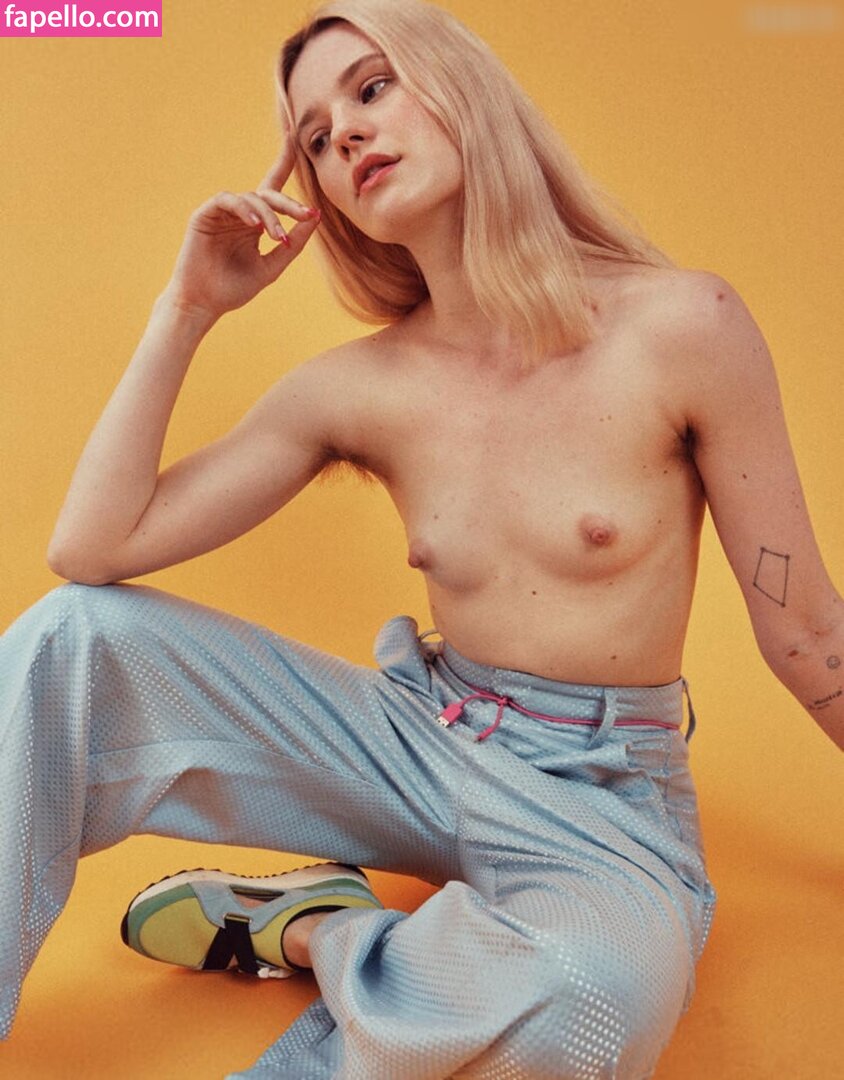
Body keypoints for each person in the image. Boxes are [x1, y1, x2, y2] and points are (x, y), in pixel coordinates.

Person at [1, 0, 841, 1076]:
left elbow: (810, 636)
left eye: (372, 87)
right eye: (314, 137)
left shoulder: (683, 329)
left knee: (589, 1004)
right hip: (412, 742)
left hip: (599, 795)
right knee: (73, 639)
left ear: (462, 87)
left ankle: (321, 931)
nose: (345, 134)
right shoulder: (360, 387)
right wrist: (187, 308)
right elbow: (92, 549)